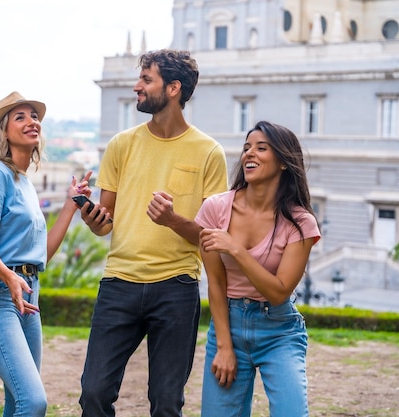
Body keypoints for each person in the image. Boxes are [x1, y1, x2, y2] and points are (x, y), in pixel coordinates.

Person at [77, 49, 228, 417]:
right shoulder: (121, 145)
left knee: (166, 403)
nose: (136, 87)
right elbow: (106, 220)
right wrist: (94, 219)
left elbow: (214, 237)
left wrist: (174, 220)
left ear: (173, 88)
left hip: (176, 287)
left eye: (146, 79)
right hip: (119, 283)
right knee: (94, 393)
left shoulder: (209, 152)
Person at [0, 91, 92, 417]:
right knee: (33, 402)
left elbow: (41, 257)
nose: (31, 121)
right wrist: (9, 277)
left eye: (34, 116)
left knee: (18, 401)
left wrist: (71, 203)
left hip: (28, 295)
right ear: (3, 133)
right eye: (20, 117)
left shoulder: (23, 182)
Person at [195, 121, 320, 417]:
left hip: (279, 330)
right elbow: (215, 282)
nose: (250, 153)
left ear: (284, 162)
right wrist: (225, 347)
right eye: (247, 147)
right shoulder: (215, 209)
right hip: (229, 325)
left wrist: (236, 249)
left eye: (261, 148)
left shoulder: (301, 223)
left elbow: (279, 292)